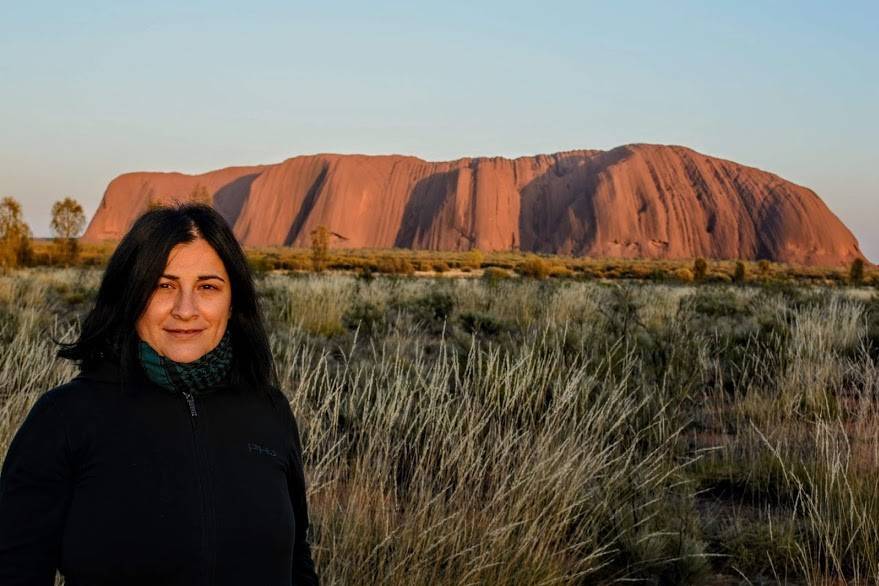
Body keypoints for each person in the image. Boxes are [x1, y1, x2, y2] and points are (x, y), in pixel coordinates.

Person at [0, 203, 320, 585]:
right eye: (162, 286)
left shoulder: (270, 412)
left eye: (207, 287)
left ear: (233, 302)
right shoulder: (66, 418)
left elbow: (298, 562)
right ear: (131, 297)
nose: (186, 310)